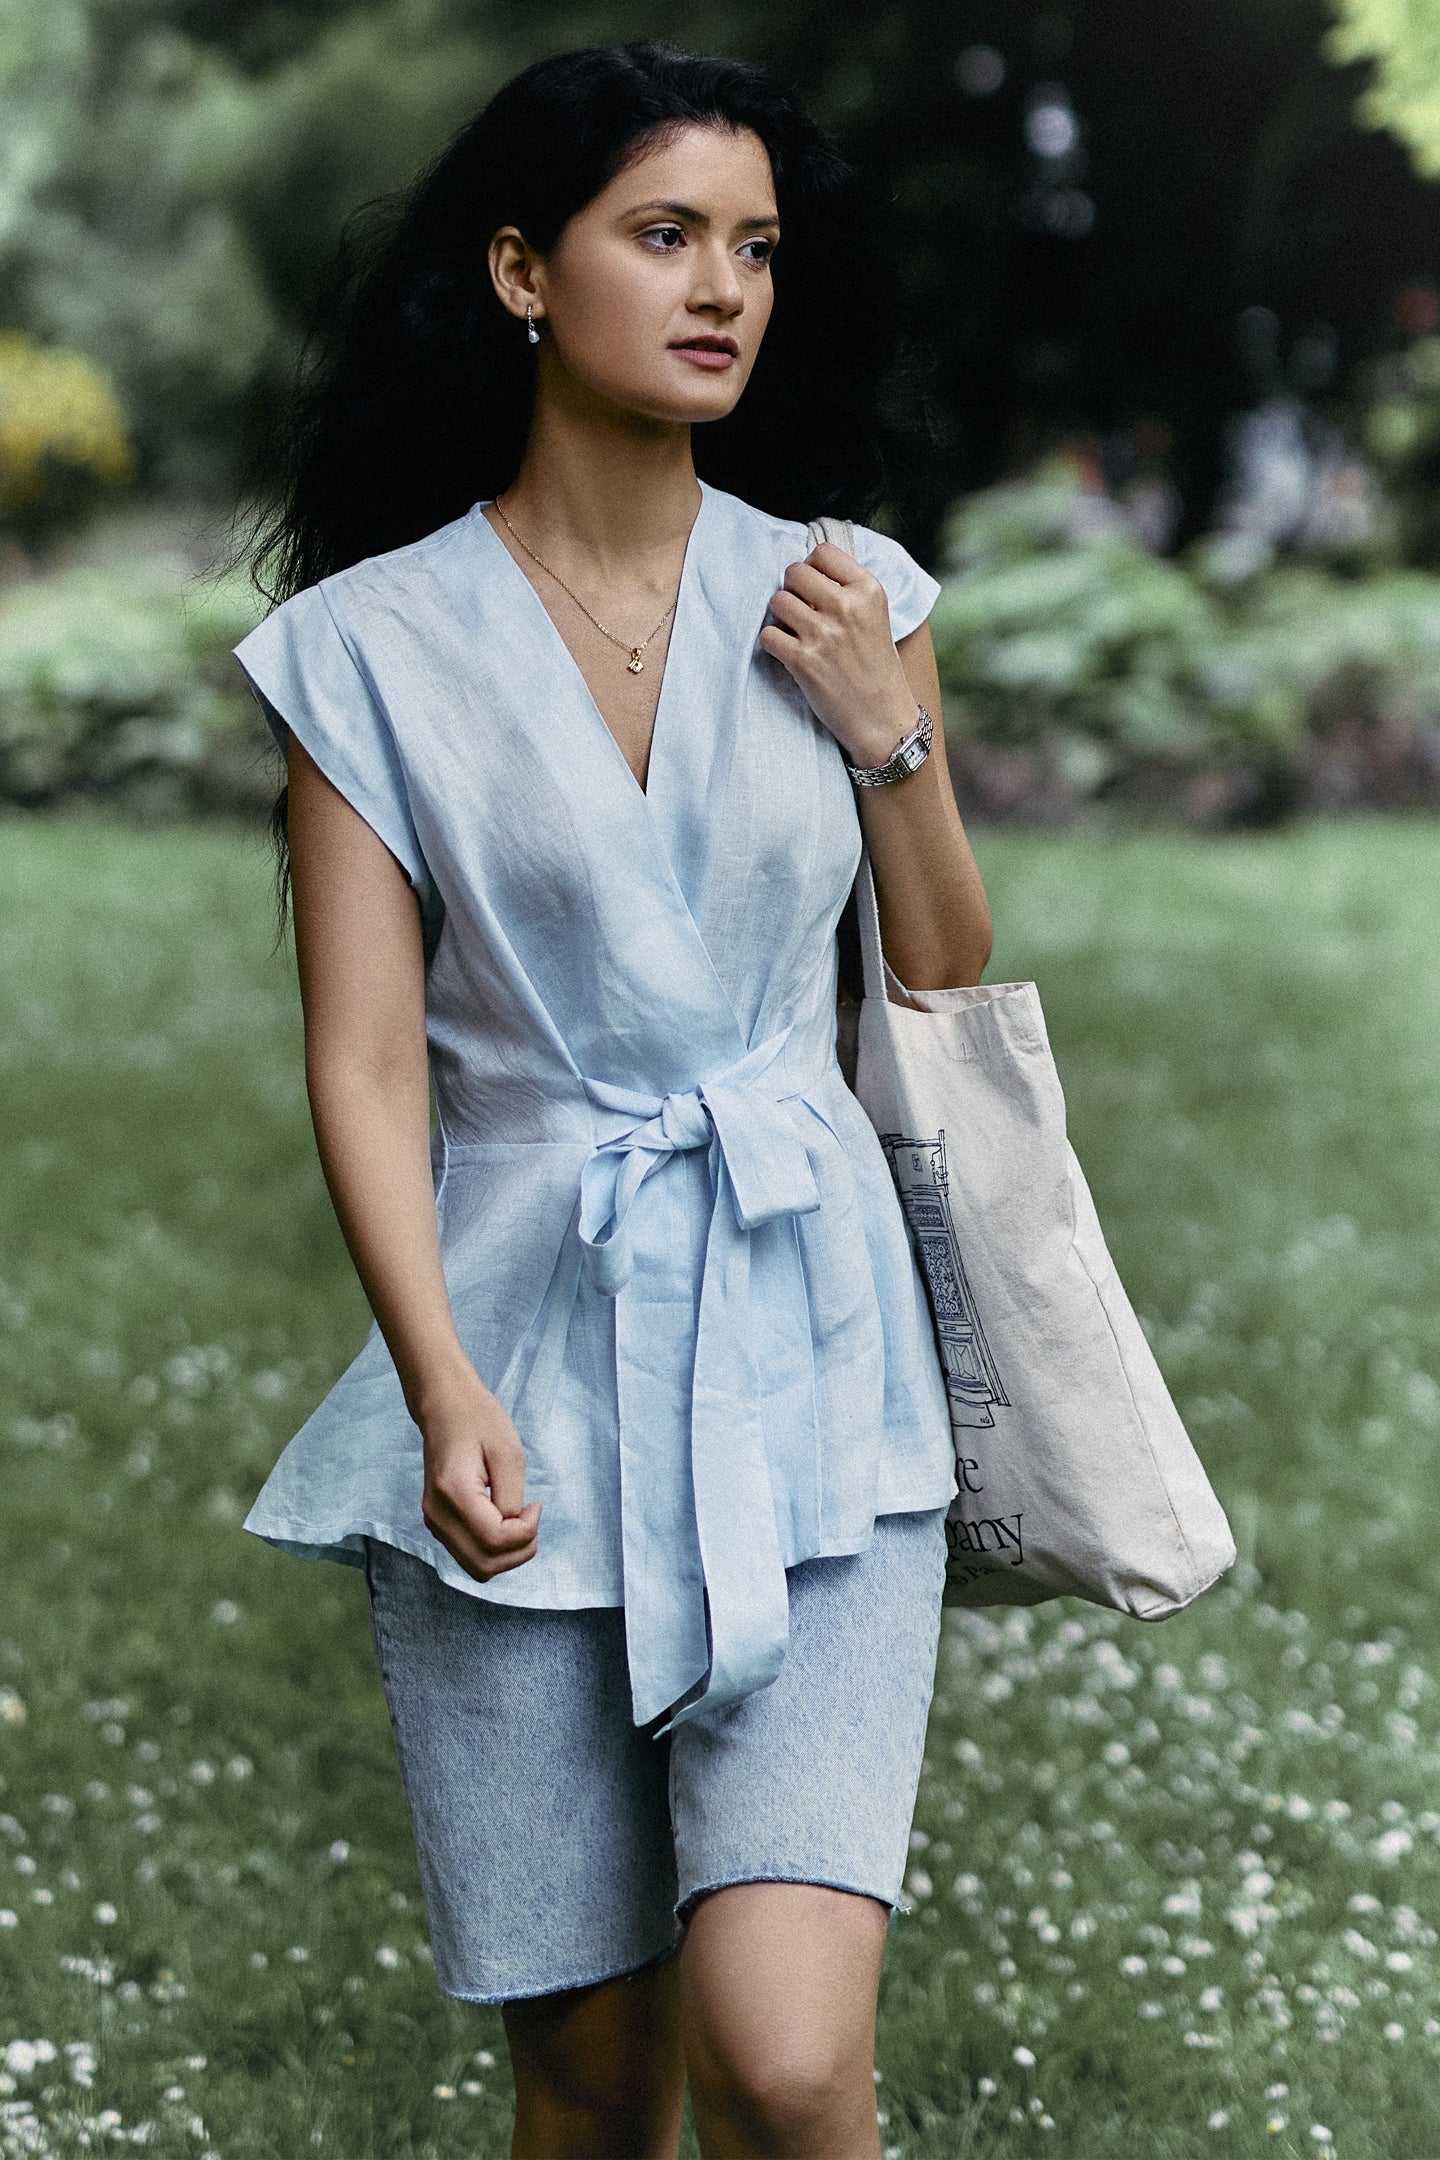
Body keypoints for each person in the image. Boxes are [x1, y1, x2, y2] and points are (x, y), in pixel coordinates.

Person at [230, 38, 992, 2160]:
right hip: (522, 1373)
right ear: (518, 272)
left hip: (818, 1360)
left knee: (785, 2056)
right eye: (663, 234)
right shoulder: (364, 654)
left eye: (752, 245)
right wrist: (437, 1372)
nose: (724, 285)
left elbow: (938, 966)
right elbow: (372, 1059)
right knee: (585, 2079)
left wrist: (886, 736)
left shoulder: (847, 594)